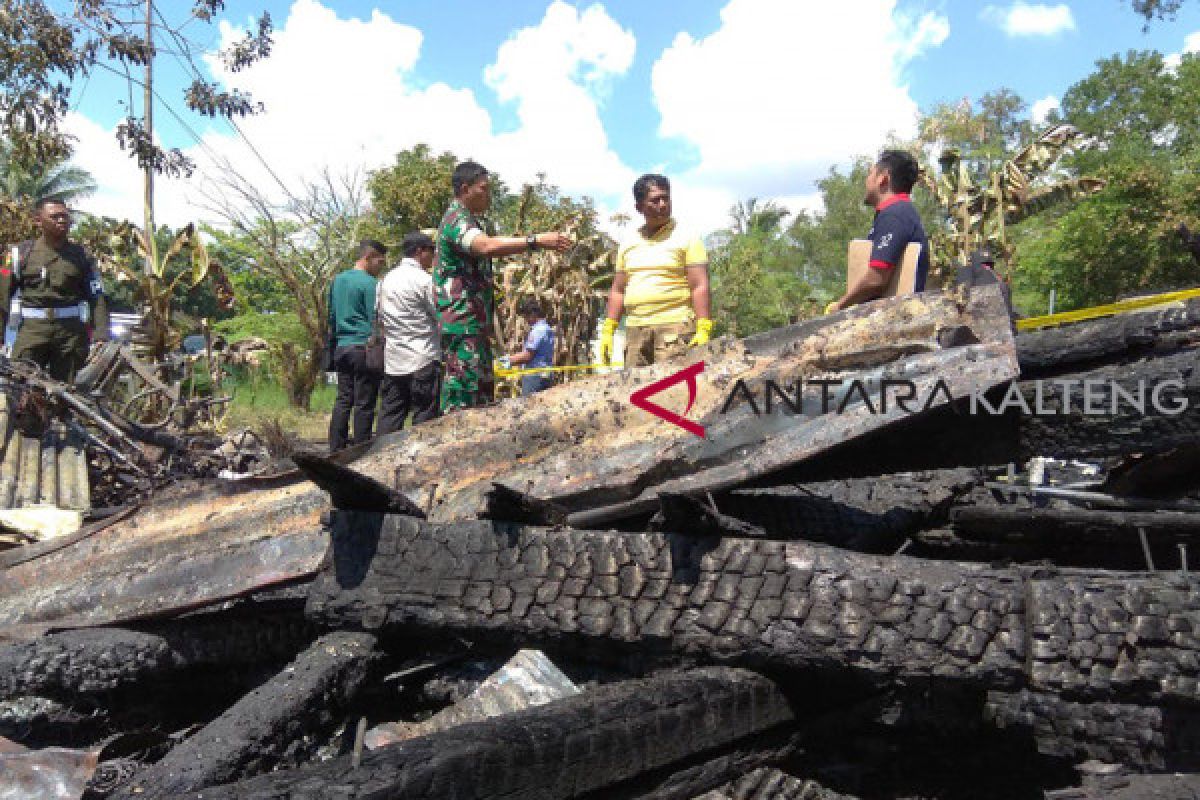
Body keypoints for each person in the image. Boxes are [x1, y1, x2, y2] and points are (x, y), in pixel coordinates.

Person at [434, 160, 571, 412]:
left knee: (481, 393)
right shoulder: (456, 219)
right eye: (483, 189)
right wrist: (535, 241)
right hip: (462, 322)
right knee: (462, 394)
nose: (489, 195)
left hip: (475, 323)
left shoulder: (472, 221)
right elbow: (486, 246)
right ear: (465, 189)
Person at [599, 174, 711, 368]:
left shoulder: (687, 238)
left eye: (666, 198)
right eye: (655, 200)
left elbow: (699, 285)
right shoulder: (628, 242)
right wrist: (609, 329)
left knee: (672, 391)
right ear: (639, 207)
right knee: (635, 392)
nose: (662, 204)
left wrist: (703, 327)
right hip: (635, 330)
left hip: (674, 328)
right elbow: (618, 289)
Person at [0, 198, 109, 383]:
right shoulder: (20, 254)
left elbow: (97, 297)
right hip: (32, 332)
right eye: (55, 217)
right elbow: (2, 298)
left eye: (65, 216)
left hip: (70, 336)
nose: (62, 221)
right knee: (20, 391)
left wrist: (101, 336)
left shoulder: (83, 256)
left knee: (69, 394)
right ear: (38, 220)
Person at [826, 150, 930, 313]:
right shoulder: (898, 212)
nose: (866, 181)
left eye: (870, 174)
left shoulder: (895, 214)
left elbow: (876, 278)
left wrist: (839, 306)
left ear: (883, 178)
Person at [377, 232, 441, 434]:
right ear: (420, 251)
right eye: (431, 250)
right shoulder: (424, 280)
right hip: (422, 357)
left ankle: (381, 457)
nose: (434, 256)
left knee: (391, 414)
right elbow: (440, 314)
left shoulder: (385, 281)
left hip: (394, 360)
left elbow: (380, 319)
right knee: (424, 416)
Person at [327, 239, 386, 452]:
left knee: (343, 399)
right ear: (368, 258)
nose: (380, 267)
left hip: (341, 347)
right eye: (379, 262)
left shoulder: (337, 281)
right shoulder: (371, 284)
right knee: (365, 402)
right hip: (363, 348)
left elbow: (331, 316)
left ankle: (335, 448)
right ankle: (361, 450)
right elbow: (377, 317)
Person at [506, 298, 555, 396]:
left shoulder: (537, 331)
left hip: (534, 376)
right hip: (545, 374)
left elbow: (528, 355)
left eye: (526, 317)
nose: (526, 321)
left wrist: (508, 361)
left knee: (529, 406)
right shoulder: (547, 328)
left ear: (533, 315)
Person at [956, 246, 1016, 322]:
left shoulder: (967, 273)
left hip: (980, 327)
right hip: (1004, 327)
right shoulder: (998, 279)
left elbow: (962, 299)